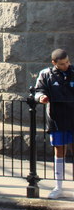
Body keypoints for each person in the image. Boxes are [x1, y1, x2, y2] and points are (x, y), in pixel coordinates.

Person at [35, 48, 74, 199]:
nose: (66, 65)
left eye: (68, 62)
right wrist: (41, 97)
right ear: (54, 63)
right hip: (57, 118)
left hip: (73, 116)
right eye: (63, 64)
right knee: (59, 151)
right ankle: (58, 187)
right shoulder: (46, 74)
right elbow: (38, 90)